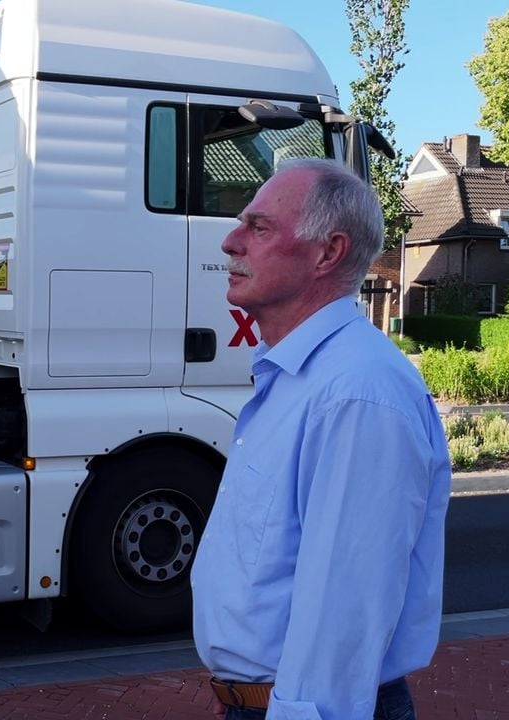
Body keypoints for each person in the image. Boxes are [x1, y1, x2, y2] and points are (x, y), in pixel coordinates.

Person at [192, 159, 451, 719]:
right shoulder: (299, 376)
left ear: (327, 253)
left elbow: (346, 610)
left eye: (259, 228)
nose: (231, 241)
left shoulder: (356, 392)